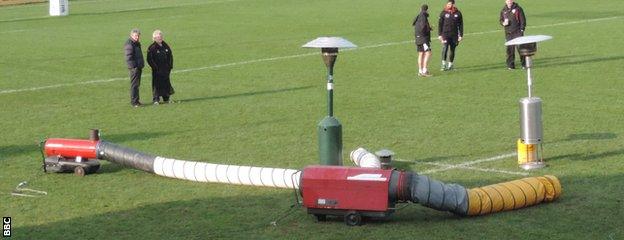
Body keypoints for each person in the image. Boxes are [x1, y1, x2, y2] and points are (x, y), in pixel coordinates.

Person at [146, 30, 174, 105]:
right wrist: (155, 67)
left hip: (166, 69)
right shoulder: (152, 47)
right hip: (157, 70)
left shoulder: (165, 45)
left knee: (166, 83)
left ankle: (166, 98)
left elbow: (170, 56)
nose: (160, 38)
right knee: (156, 84)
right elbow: (149, 59)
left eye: (161, 36)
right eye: (158, 37)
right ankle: (156, 99)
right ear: (154, 38)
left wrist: (170, 66)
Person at [437, 0, 463, 71]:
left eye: (450, 4)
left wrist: (461, 35)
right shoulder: (443, 13)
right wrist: (439, 35)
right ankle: (443, 65)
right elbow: (440, 24)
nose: (448, 5)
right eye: (447, 4)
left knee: (452, 50)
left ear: (453, 4)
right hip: (445, 34)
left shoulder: (458, 13)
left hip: (454, 35)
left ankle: (450, 65)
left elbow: (461, 25)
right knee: (445, 48)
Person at [500, 0, 526, 69]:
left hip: (517, 32)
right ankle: (511, 66)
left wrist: (522, 30)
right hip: (508, 33)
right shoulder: (503, 10)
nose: (509, 2)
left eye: (510, 1)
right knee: (509, 50)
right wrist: (503, 23)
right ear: (505, 1)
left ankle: (524, 65)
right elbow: (501, 20)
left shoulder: (518, 9)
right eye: (508, 1)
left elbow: (523, 20)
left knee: (521, 49)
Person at [124, 28, 145, 107]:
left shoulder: (136, 43)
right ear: (131, 35)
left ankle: (136, 101)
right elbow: (128, 57)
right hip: (134, 68)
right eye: (136, 36)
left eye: (138, 36)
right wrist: (134, 67)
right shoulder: (129, 44)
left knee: (137, 85)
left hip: (138, 67)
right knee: (134, 85)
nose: (137, 37)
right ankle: (134, 102)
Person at [412, 4, 433, 77]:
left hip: (418, 38)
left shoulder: (418, 16)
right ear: (427, 9)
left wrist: (428, 28)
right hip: (423, 39)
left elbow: (414, 24)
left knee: (421, 53)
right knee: (428, 53)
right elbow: (423, 27)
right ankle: (424, 70)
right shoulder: (423, 16)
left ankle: (420, 71)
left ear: (420, 9)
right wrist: (429, 29)